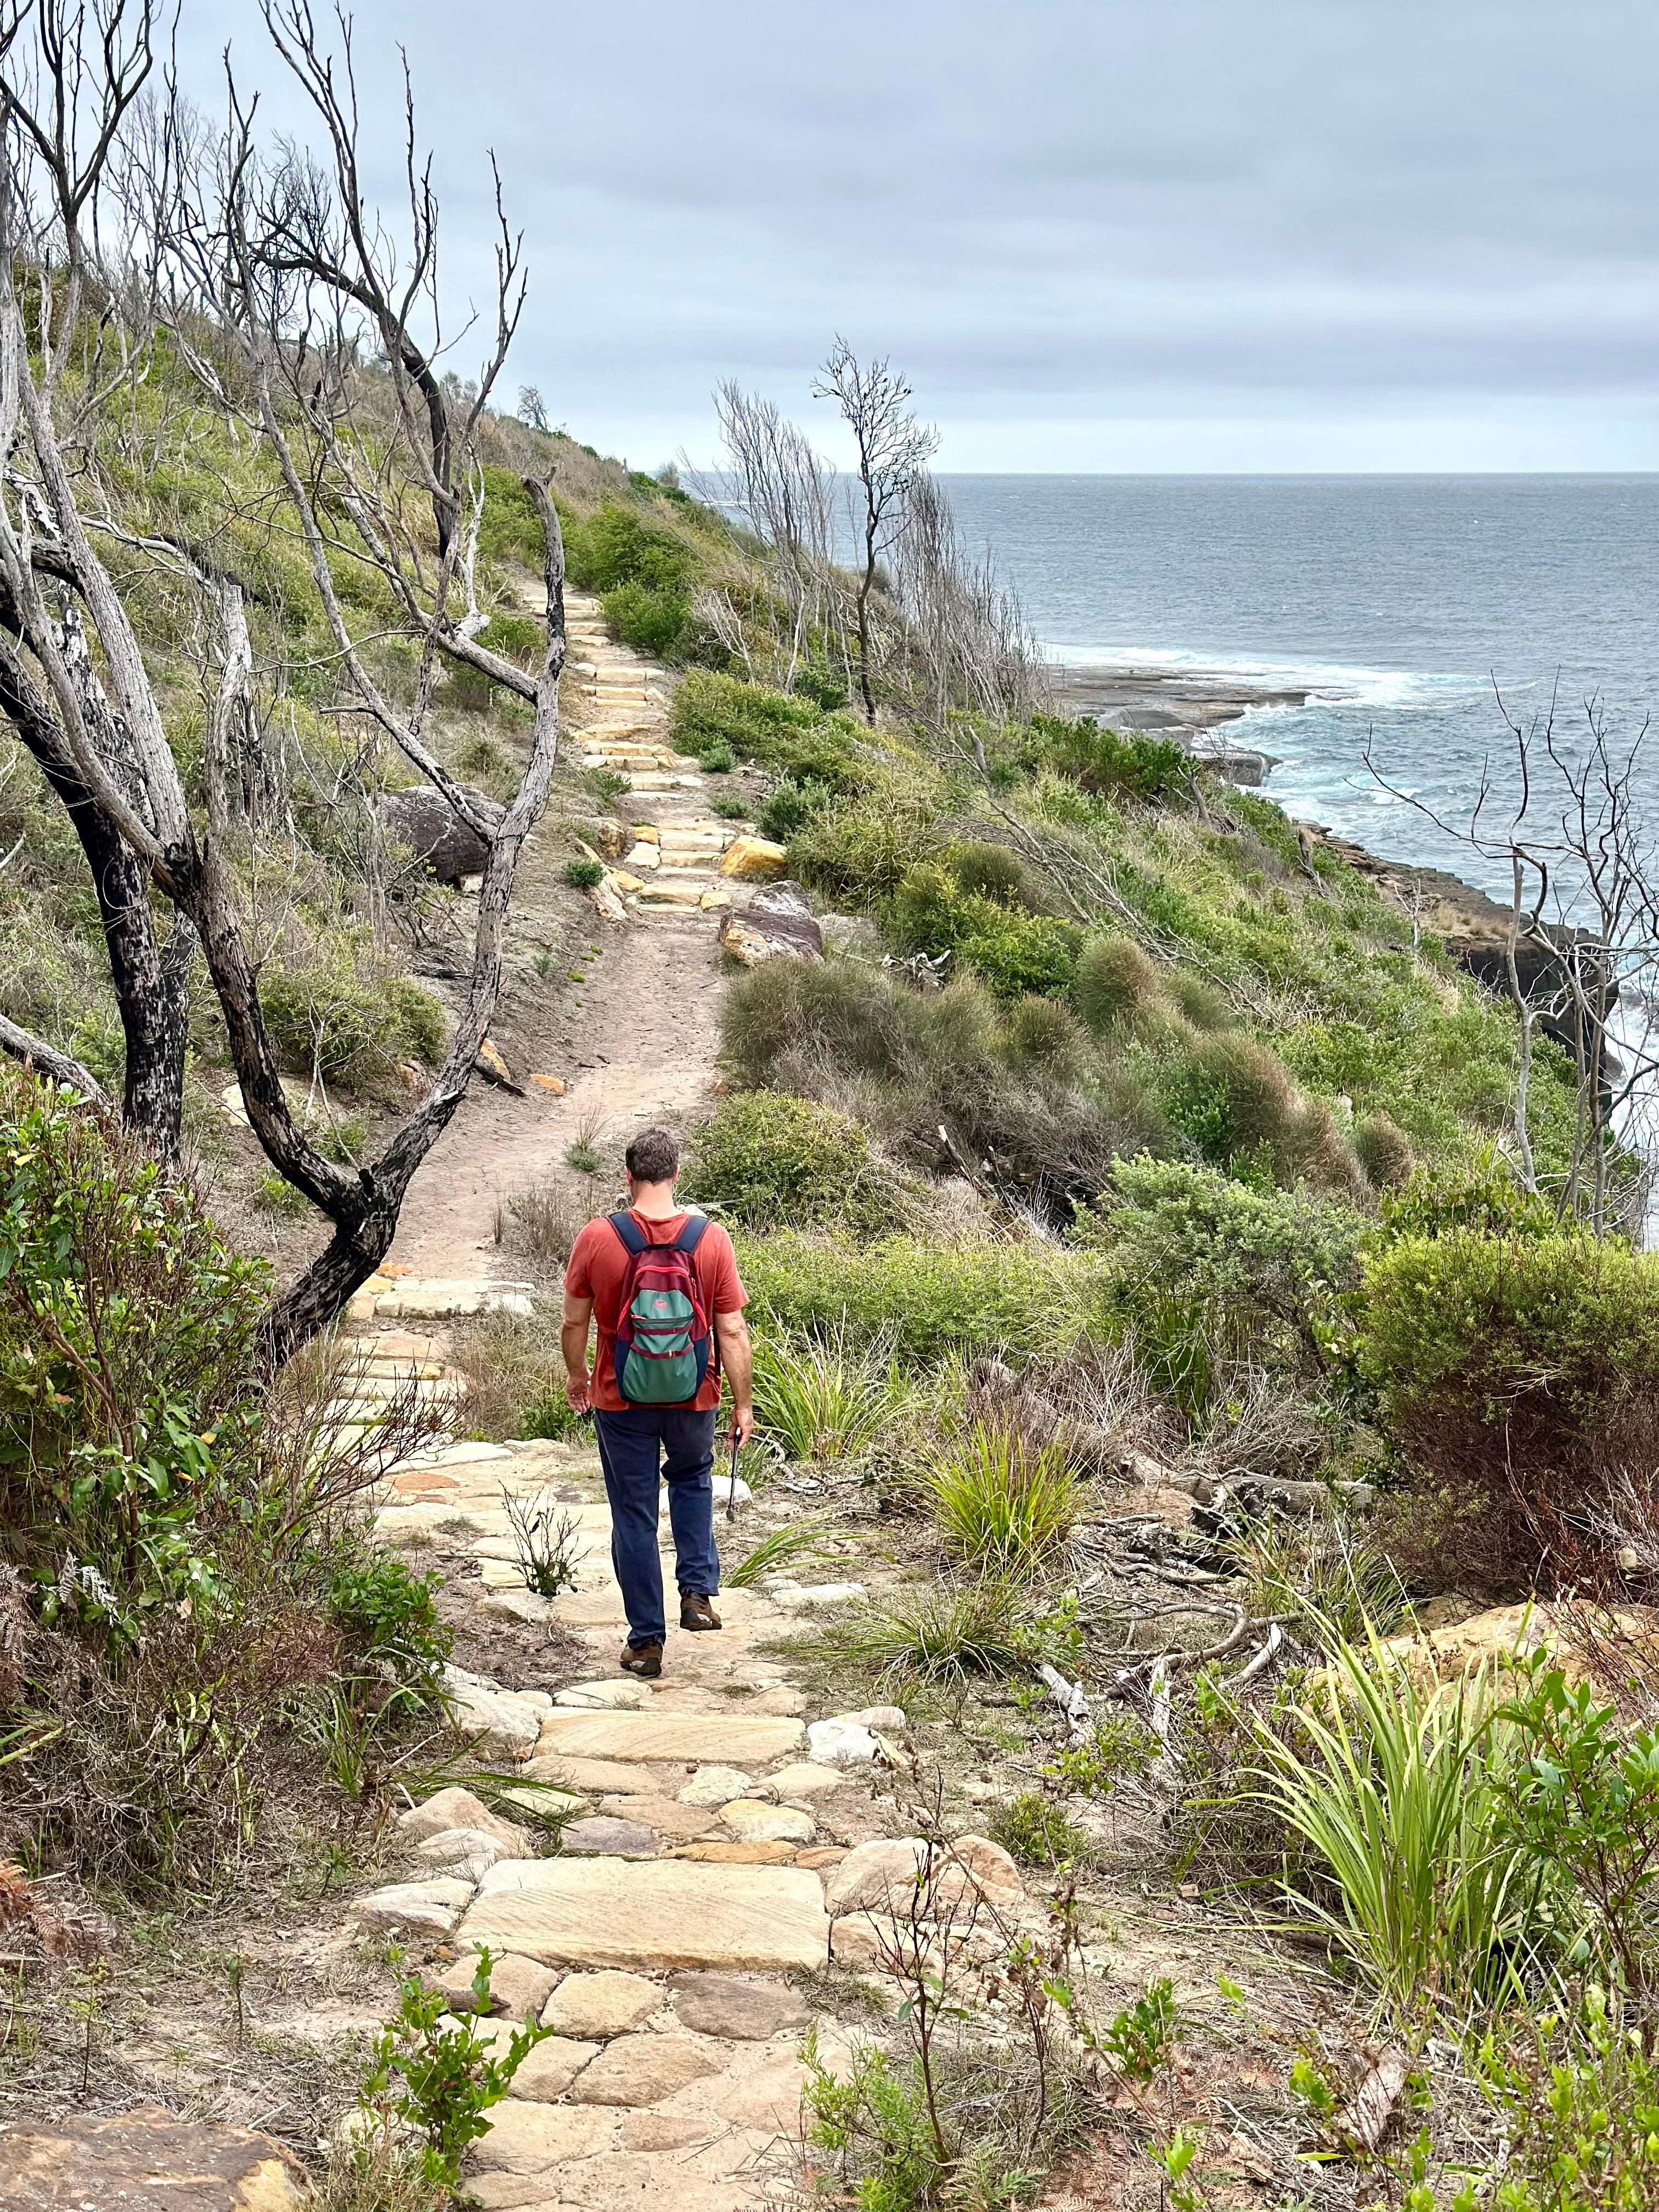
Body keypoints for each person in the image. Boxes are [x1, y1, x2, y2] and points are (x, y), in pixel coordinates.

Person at [561, 1124, 754, 1678]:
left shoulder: (598, 1238)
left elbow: (574, 1321)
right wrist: (742, 1406)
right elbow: (733, 1330)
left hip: (621, 1399)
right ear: (676, 1174)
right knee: (693, 1477)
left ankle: (646, 1642)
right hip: (694, 1393)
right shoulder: (710, 1239)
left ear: (628, 1176)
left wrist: (578, 1378)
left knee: (634, 1514)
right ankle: (696, 1591)